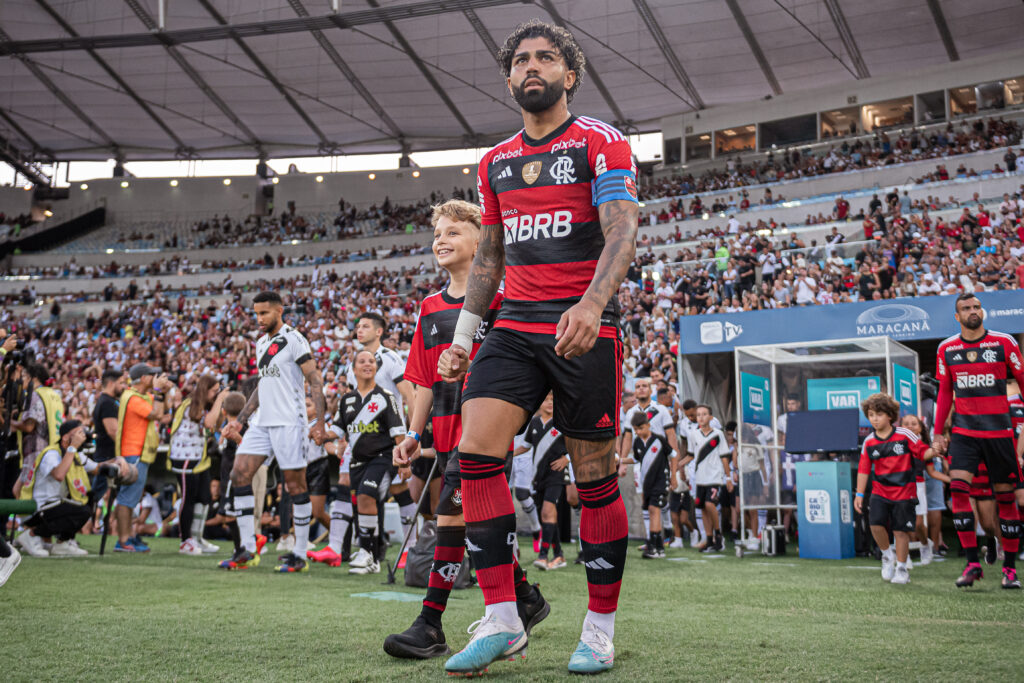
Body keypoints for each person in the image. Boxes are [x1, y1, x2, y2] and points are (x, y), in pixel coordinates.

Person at [438, 19, 639, 675]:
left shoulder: (600, 142)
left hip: (585, 326)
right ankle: (503, 619)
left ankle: (599, 630)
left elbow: (623, 229)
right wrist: (466, 337)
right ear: (508, 78)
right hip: (516, 324)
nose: (532, 66)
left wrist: (591, 302)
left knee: (594, 479)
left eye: (546, 57)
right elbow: (490, 258)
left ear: (569, 74)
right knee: (475, 453)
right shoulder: (495, 161)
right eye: (521, 59)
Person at [385, 199, 548, 661]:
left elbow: (517, 370)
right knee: (472, 519)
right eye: (438, 232)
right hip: (445, 432)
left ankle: (430, 623)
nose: (442, 239)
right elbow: (421, 380)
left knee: (451, 518)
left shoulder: (504, 299)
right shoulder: (430, 307)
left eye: (454, 231)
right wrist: (413, 434)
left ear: (483, 241)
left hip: (488, 432)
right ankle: (527, 599)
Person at [220, 291, 327, 573]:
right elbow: (261, 386)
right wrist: (241, 420)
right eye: (256, 313)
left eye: (264, 313)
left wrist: (320, 423)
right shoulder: (261, 343)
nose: (259, 319)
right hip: (262, 422)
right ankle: (246, 548)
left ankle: (300, 554)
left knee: (295, 486)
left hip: (290, 421)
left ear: (279, 311)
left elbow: (314, 380)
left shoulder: (294, 338)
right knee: (238, 473)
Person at [933, 292, 1024, 589]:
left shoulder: (1004, 342)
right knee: (958, 493)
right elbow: (945, 392)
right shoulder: (946, 348)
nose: (973, 311)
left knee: (1007, 499)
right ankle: (973, 564)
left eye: (976, 307)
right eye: (966, 308)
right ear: (957, 317)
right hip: (964, 433)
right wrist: (937, 432)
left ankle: (1009, 570)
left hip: (999, 433)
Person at [331, 350, 405, 575]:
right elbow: (336, 431)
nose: (367, 364)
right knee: (361, 504)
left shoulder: (385, 397)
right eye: (362, 361)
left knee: (365, 496)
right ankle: (371, 558)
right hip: (357, 461)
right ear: (353, 369)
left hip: (383, 458)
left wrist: (404, 463)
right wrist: (318, 434)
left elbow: (398, 432)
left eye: (371, 361)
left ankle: (366, 552)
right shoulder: (346, 400)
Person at [855, 394, 939, 584]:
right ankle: (887, 556)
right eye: (871, 415)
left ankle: (902, 569)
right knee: (875, 525)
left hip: (904, 492)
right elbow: (863, 469)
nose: (874, 419)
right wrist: (859, 494)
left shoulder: (905, 434)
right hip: (879, 491)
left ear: (890, 416)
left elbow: (922, 452)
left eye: (879, 414)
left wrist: (935, 450)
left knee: (900, 532)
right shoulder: (869, 442)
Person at [15, 420, 128, 557]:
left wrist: (118, 460)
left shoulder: (75, 455)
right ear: (65, 437)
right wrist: (73, 447)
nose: (82, 436)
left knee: (88, 503)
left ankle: (62, 543)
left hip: (54, 506)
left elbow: (97, 468)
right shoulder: (51, 454)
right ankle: (32, 535)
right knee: (81, 510)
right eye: (78, 433)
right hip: (37, 508)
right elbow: (59, 474)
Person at [113, 363, 173, 553]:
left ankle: (129, 536)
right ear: (144, 378)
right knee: (127, 498)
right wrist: (158, 391)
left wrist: (164, 391)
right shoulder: (132, 397)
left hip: (141, 452)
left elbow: (164, 409)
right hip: (133, 452)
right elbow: (155, 413)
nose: (155, 378)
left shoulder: (142, 396)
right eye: (152, 376)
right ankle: (123, 540)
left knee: (132, 498)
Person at [168, 374, 227, 556]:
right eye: (214, 391)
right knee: (188, 500)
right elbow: (207, 422)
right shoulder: (191, 404)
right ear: (205, 390)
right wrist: (220, 400)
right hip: (185, 459)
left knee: (204, 498)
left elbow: (213, 427)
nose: (216, 394)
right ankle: (185, 540)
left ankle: (197, 537)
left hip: (198, 459)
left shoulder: (205, 406)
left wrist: (220, 408)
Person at [518, 394, 571, 570]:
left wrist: (567, 459)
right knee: (548, 515)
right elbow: (525, 446)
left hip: (556, 475)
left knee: (548, 511)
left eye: (553, 400)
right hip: (538, 477)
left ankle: (543, 555)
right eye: (546, 399)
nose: (550, 403)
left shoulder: (562, 422)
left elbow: (576, 445)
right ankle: (559, 555)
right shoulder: (533, 423)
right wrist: (505, 453)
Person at [680, 405, 732, 553]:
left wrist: (728, 477)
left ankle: (718, 535)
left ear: (710, 417)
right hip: (700, 477)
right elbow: (691, 455)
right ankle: (709, 540)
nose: (701, 417)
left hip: (714, 476)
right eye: (699, 415)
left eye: (704, 414)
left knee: (710, 504)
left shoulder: (718, 434)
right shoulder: (694, 435)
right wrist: (679, 464)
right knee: (702, 507)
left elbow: (724, 457)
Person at [345, 311, 414, 413]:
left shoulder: (391, 359)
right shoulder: (353, 365)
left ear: (378, 332)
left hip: (390, 427)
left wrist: (413, 429)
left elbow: (410, 397)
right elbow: (349, 398)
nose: (359, 330)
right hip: (362, 426)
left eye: (365, 327)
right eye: (358, 327)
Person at [626, 412, 673, 558]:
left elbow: (674, 455)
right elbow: (635, 459)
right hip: (646, 483)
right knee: (651, 511)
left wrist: (674, 477)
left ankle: (653, 544)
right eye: (635, 430)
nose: (638, 432)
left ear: (648, 425)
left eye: (641, 428)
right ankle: (658, 547)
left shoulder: (659, 440)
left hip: (661, 480)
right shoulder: (638, 442)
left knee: (654, 509)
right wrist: (620, 460)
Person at [90, 369, 126, 528]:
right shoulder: (107, 403)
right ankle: (78, 528)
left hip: (106, 455)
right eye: (121, 383)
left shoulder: (107, 401)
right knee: (95, 496)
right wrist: (124, 452)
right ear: (111, 383)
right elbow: (113, 432)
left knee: (97, 495)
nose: (123, 386)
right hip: (107, 457)